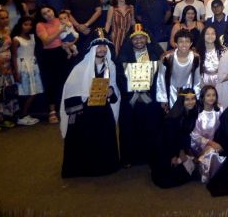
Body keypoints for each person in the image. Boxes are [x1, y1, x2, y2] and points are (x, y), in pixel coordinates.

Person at [59, 35, 121, 178]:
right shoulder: (81, 68)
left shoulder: (110, 66)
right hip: (84, 109)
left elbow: (114, 86)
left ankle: (104, 167)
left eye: (104, 47)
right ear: (93, 49)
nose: (102, 49)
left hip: (103, 108)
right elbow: (71, 88)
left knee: (105, 134)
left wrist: (111, 91)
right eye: (99, 47)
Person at [115, 24, 164, 168]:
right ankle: (130, 157)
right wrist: (135, 92)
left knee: (152, 125)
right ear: (131, 40)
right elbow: (120, 77)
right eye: (135, 38)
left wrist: (148, 92)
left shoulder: (155, 53)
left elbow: (160, 76)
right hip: (131, 99)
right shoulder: (124, 55)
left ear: (147, 38)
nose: (139, 41)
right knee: (130, 127)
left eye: (141, 37)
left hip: (151, 97)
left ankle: (151, 155)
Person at [151, 87, 199, 188]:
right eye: (187, 99)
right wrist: (174, 155)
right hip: (167, 149)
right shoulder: (174, 117)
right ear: (182, 101)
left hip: (180, 147)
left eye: (193, 99)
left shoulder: (191, 113)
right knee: (168, 179)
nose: (191, 102)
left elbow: (185, 136)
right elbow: (169, 139)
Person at [157, 30, 202, 110]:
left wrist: (197, 96)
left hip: (188, 90)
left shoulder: (195, 57)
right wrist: (163, 98)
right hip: (171, 89)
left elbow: (197, 79)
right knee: (172, 115)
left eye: (187, 41)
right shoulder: (167, 57)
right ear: (176, 44)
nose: (184, 44)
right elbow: (161, 78)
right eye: (181, 41)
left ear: (191, 43)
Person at [190, 85, 225, 183]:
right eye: (208, 95)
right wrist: (210, 143)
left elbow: (224, 128)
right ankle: (207, 175)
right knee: (212, 152)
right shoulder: (198, 113)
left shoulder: (220, 109)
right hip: (199, 145)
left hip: (216, 141)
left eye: (214, 95)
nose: (211, 98)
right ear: (203, 97)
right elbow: (195, 135)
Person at [11, 17, 42, 126]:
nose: (28, 27)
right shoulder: (16, 39)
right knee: (25, 92)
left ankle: (25, 114)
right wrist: (16, 71)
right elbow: (14, 56)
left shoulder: (32, 37)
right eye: (25, 24)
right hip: (23, 66)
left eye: (30, 25)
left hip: (32, 66)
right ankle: (22, 115)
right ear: (20, 25)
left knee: (33, 91)